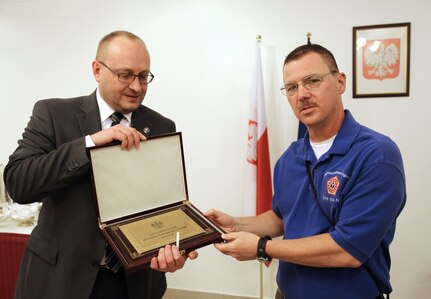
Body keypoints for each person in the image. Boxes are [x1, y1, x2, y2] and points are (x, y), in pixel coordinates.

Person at [4, 30, 197, 299]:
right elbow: (19, 183)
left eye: (143, 76)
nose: (137, 87)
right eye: (126, 75)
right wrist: (90, 144)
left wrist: (175, 246)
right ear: (97, 70)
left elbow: (163, 204)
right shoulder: (52, 114)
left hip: (134, 283)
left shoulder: (162, 127)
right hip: (59, 280)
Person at [206, 44, 406, 299]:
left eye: (312, 81)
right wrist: (236, 224)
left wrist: (261, 247)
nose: (301, 95)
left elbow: (347, 250)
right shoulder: (290, 158)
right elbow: (282, 217)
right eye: (291, 87)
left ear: (340, 82)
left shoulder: (377, 155)